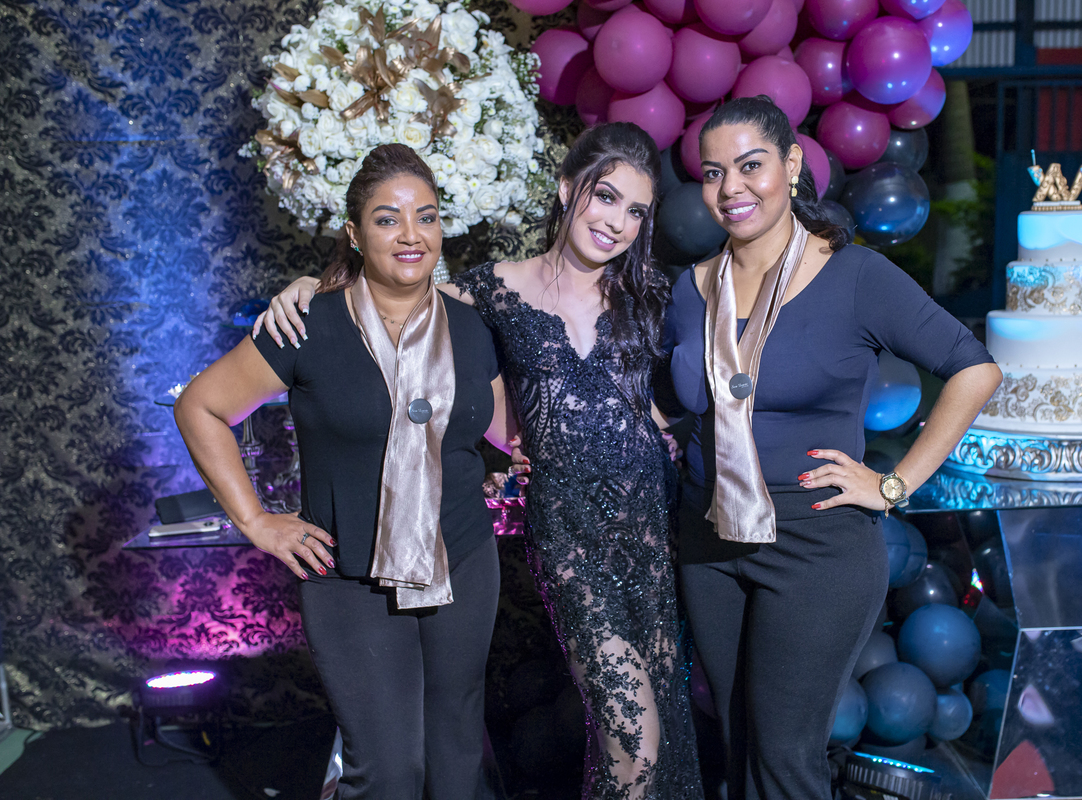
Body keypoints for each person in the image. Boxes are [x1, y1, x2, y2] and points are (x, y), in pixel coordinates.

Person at [256, 123, 703, 799]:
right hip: (572, 538)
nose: (618, 222)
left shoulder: (654, 295)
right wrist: (309, 288)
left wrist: (661, 435)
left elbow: (681, 391)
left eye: (636, 211)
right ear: (566, 190)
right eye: (605, 197)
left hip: (650, 537)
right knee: (633, 741)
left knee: (657, 735)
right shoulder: (485, 292)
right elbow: (396, 296)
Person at [662, 96, 1002, 799]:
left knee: (785, 758)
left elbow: (975, 369)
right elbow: (687, 403)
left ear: (791, 165)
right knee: (740, 743)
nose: (731, 188)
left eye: (751, 166)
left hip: (815, 545)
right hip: (709, 538)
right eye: (713, 172)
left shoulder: (855, 277)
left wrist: (893, 484)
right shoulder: (690, 290)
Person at [175, 144, 514, 799]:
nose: (411, 234)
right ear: (355, 235)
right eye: (388, 219)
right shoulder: (308, 323)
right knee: (387, 772)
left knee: (456, 761)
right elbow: (201, 407)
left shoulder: (472, 325)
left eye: (427, 216)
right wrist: (255, 521)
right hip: (350, 579)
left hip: (464, 563)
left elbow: (507, 429)